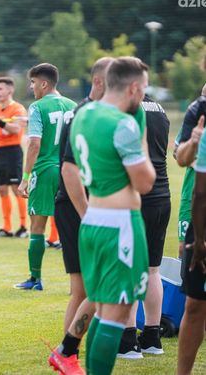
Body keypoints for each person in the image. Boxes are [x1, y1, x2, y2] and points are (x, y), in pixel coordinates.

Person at [70, 56, 155, 374]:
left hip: (93, 219)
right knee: (116, 314)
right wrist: (142, 143)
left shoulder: (84, 113)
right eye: (143, 89)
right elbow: (145, 183)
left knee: (104, 310)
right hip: (119, 223)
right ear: (133, 87)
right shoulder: (123, 124)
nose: (143, 95)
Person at [48, 57, 114, 374]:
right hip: (75, 207)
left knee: (89, 289)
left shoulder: (98, 112)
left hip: (86, 206)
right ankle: (67, 353)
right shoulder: (83, 113)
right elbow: (69, 169)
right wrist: (87, 214)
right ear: (98, 82)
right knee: (87, 289)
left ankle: (68, 352)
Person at [117, 94, 170, 359]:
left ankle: (128, 341)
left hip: (137, 197)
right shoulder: (159, 108)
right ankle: (151, 337)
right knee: (152, 269)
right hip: (162, 196)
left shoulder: (127, 108)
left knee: (127, 268)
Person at [15, 63, 77, 290]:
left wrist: (25, 177)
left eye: (33, 83)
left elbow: (34, 143)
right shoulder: (74, 106)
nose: (31, 87)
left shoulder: (37, 107)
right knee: (72, 227)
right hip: (69, 171)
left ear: (43, 84)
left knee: (37, 226)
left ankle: (35, 279)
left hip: (45, 170)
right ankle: (78, 284)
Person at [176, 92, 206, 375]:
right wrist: (194, 141)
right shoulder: (198, 110)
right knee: (195, 303)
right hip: (201, 224)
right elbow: (180, 158)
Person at [0, 77, 29, 238]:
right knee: (2, 189)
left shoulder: (18, 109)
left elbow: (15, 129)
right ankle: (7, 227)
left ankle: (23, 227)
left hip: (13, 152)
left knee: (16, 189)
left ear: (10, 90)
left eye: (0, 89)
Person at [174, 85, 206, 258]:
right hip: (191, 193)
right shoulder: (194, 120)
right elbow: (176, 152)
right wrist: (193, 149)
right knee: (185, 248)